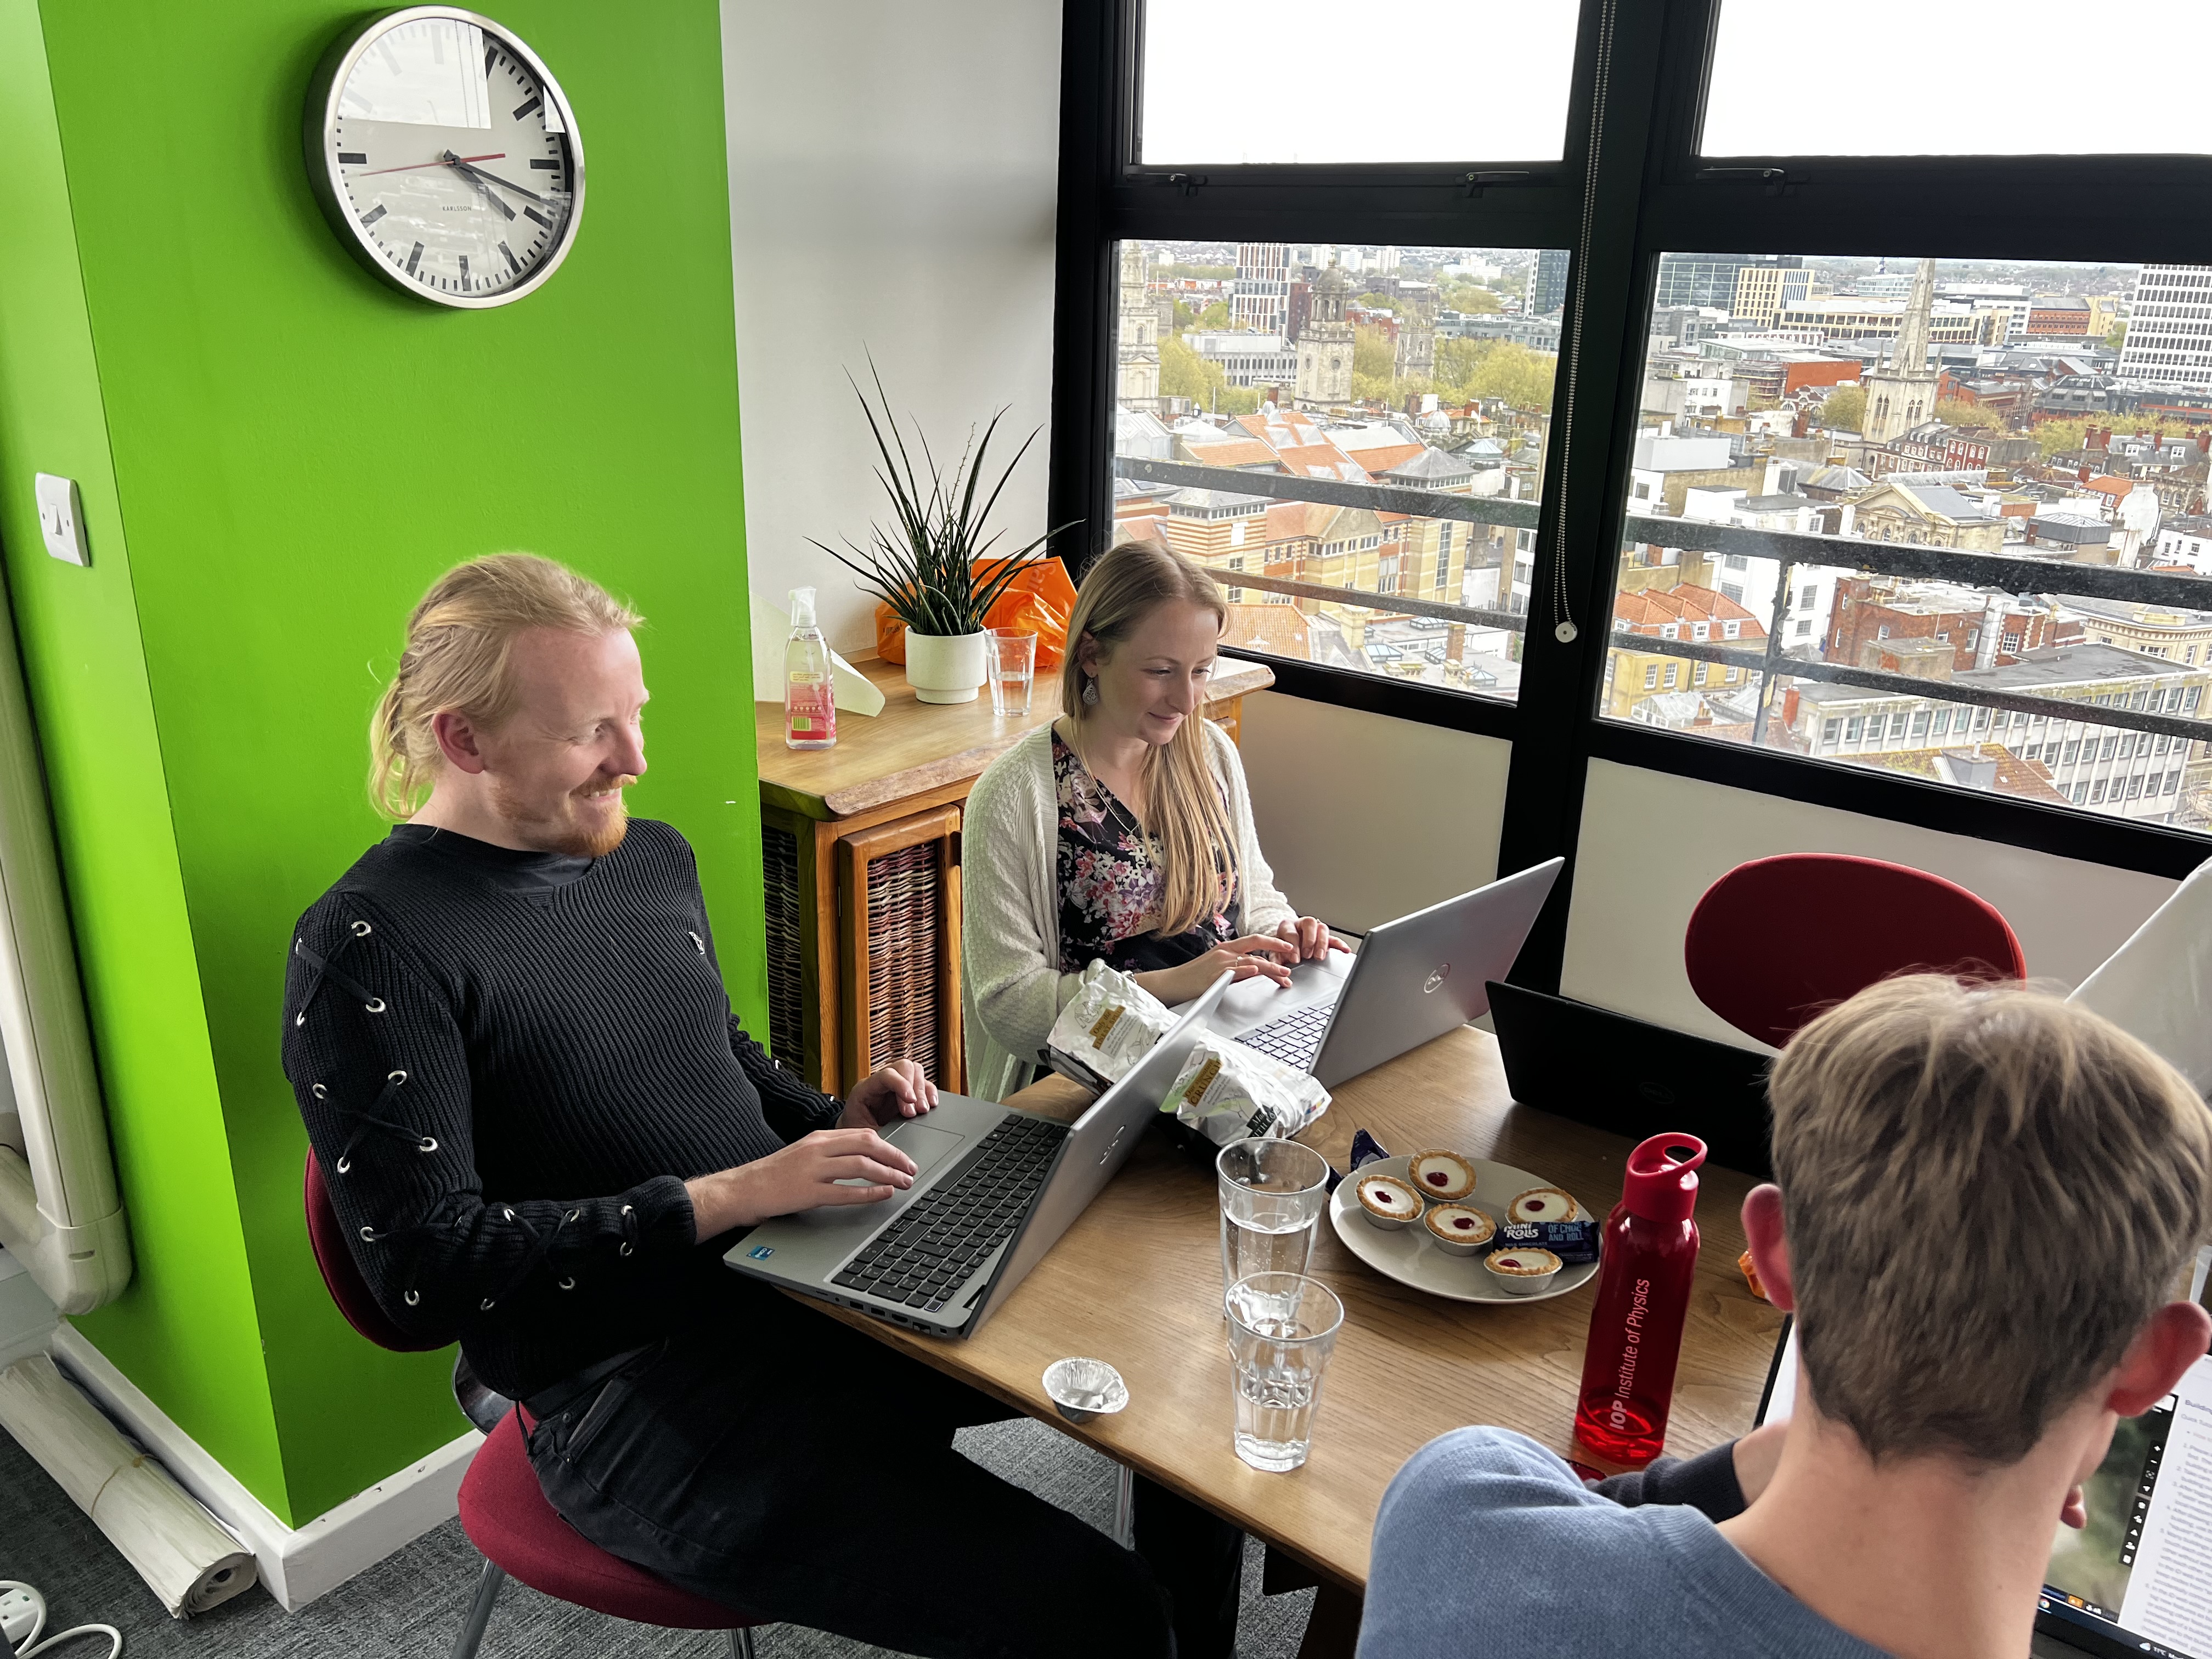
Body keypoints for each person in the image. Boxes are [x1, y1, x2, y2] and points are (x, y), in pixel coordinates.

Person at [285, 553, 1211, 1658]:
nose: (636, 758)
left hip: (801, 1278)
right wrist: (725, 1196)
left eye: (635, 714)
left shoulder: (646, 859)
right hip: (632, 1390)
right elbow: (422, 1274)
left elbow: (713, 1052)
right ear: (464, 740)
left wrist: (829, 1119)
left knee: (1180, 1375)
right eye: (591, 733)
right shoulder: (370, 945)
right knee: (1106, 1616)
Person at [1359, 974, 2212, 1659]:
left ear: (1771, 1254)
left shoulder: (1462, 1523)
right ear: (2159, 1363)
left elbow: (1588, 1532)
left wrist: (1781, 1457)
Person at [962, 538, 1346, 1102]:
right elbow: (1010, 1006)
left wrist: (1283, 932)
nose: (1186, 701)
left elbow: (1253, 896)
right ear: (1091, 655)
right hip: (1090, 1080)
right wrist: (1174, 985)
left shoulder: (1210, 753)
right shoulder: (1012, 795)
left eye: (1201, 671)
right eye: (1161, 671)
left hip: (1227, 1045)